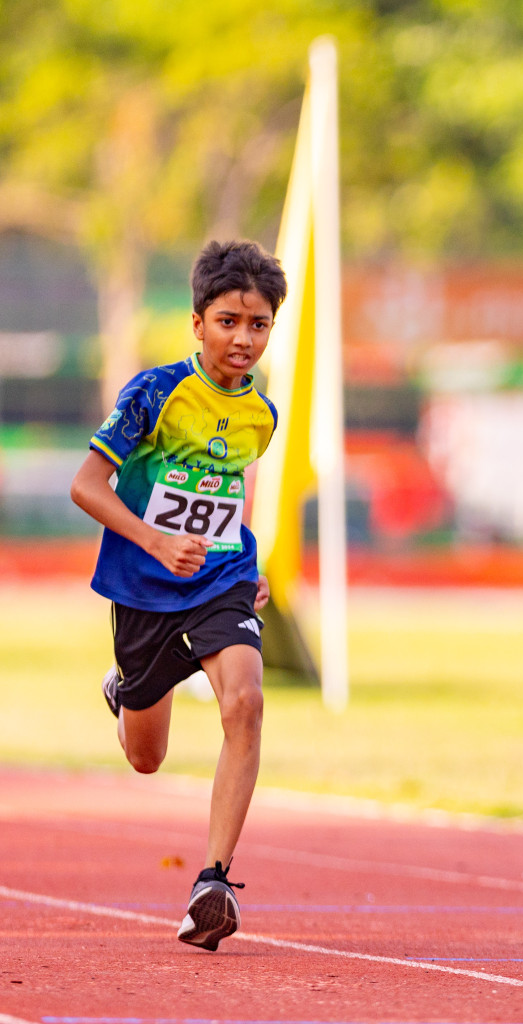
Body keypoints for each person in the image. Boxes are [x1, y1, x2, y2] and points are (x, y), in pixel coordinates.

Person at [69, 239, 285, 951]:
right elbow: (87, 486)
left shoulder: (264, 416)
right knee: (145, 756)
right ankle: (125, 689)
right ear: (197, 323)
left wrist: (243, 563)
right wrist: (155, 541)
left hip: (220, 580)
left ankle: (213, 882)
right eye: (228, 321)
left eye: (258, 324)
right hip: (142, 585)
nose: (243, 339)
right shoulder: (154, 394)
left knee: (246, 703)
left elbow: (226, 495)